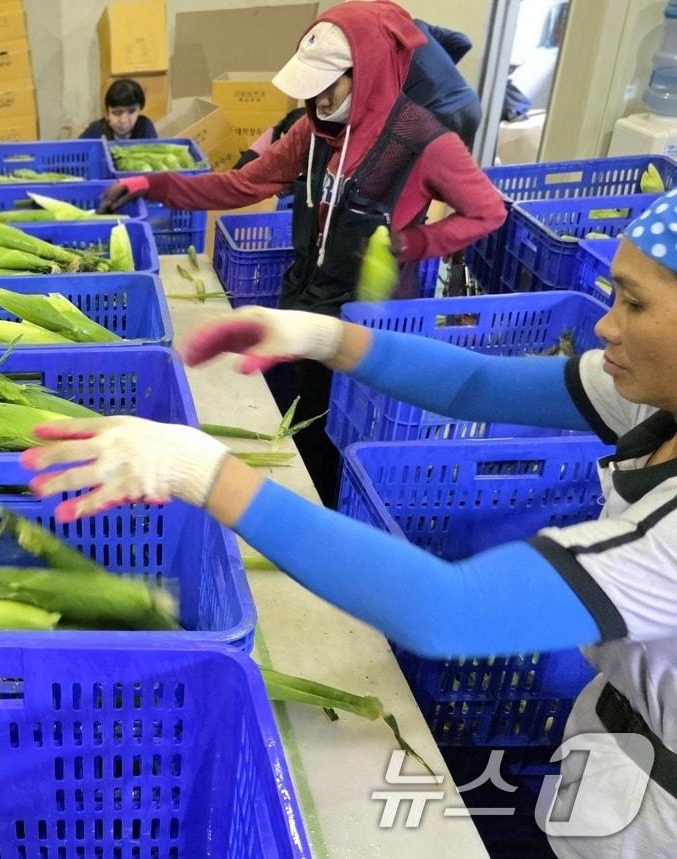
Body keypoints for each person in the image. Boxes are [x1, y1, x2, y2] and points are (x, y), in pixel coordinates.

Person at [25, 190, 677, 859]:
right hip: (607, 760)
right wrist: (320, 335)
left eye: (634, 302)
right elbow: (477, 385)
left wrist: (204, 473)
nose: (606, 325)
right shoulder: (656, 397)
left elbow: (450, 609)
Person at [98, 0, 505, 506]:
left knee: (334, 445)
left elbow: (488, 212)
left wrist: (414, 243)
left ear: (366, 72)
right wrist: (153, 184)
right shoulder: (312, 131)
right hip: (302, 301)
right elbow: (243, 183)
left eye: (326, 84)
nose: (313, 97)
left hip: (364, 319)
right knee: (289, 427)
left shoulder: (425, 142)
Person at [404, 19, 483, 148]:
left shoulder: (380, 41)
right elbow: (462, 42)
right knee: (458, 165)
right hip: (469, 105)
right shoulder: (414, 23)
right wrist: (438, 69)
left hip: (434, 114)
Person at [78, 78, 159, 141]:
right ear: (107, 112)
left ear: (139, 110)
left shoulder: (144, 127)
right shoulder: (96, 130)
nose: (123, 120)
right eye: (117, 113)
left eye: (131, 112)